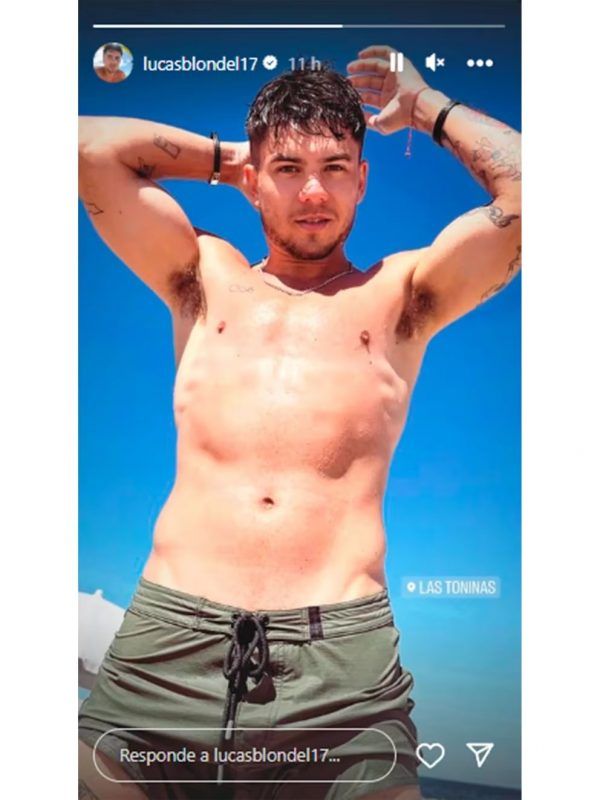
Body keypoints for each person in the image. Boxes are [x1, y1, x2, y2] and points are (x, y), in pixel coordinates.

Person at [78, 45, 521, 800]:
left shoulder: (401, 296)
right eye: (289, 169)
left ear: (363, 180)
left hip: (340, 669)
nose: (313, 191)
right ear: (254, 181)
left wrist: (427, 107)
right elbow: (87, 150)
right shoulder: (203, 276)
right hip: (165, 648)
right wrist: (236, 159)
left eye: (335, 168)